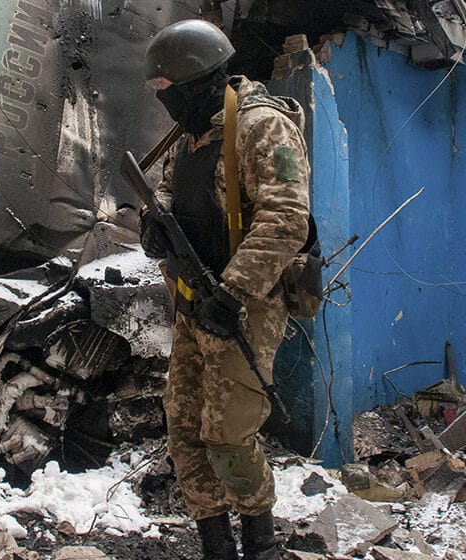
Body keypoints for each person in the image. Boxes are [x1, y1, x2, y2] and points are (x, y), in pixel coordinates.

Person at [139, 19, 311, 560]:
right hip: (193, 305)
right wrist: (155, 224)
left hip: (244, 308)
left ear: (193, 79)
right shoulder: (190, 135)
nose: (161, 100)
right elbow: (170, 194)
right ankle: (216, 543)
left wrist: (232, 293)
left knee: (229, 437)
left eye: (164, 88)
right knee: (186, 433)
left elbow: (286, 219)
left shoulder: (262, 128)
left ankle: (261, 542)